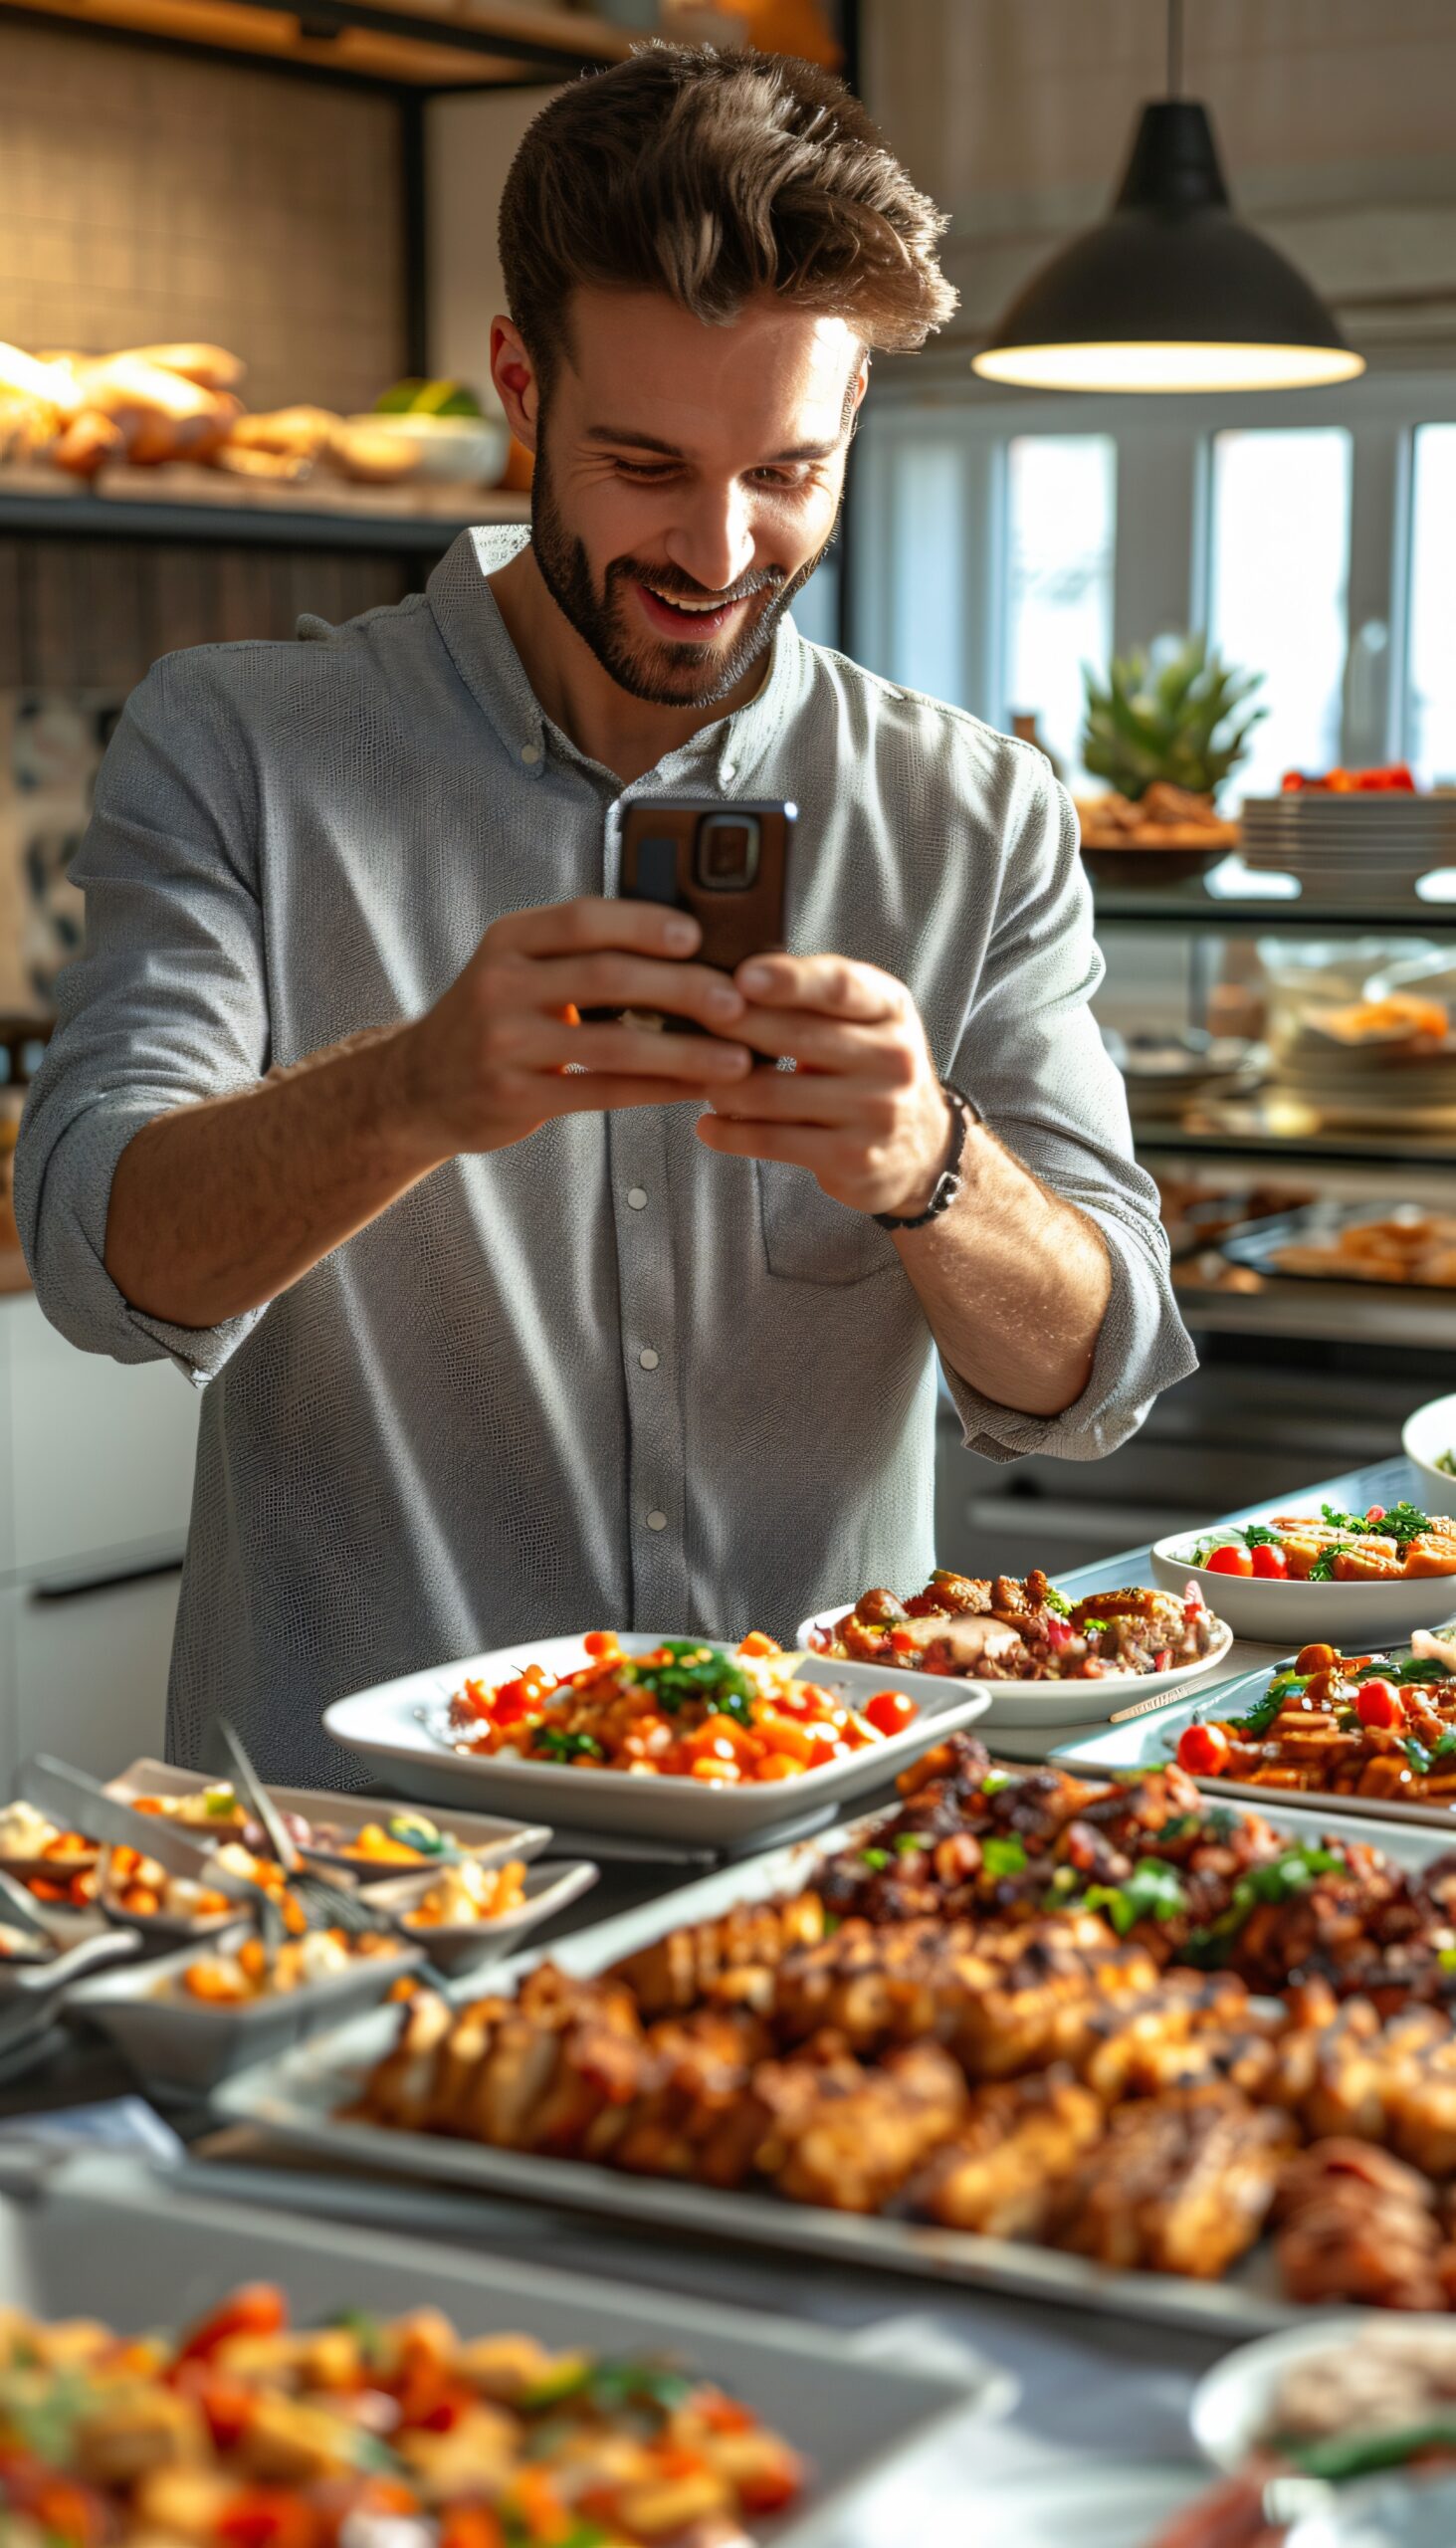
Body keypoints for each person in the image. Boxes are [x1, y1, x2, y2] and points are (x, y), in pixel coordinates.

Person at [17, 45, 1195, 1783]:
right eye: (646, 463)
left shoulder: (976, 811)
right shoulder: (240, 742)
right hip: (368, 1866)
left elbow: (1100, 1367)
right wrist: (412, 1090)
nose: (716, 548)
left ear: (854, 413)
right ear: (520, 385)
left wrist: (930, 1165)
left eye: (784, 471)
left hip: (824, 1847)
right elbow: (98, 1258)